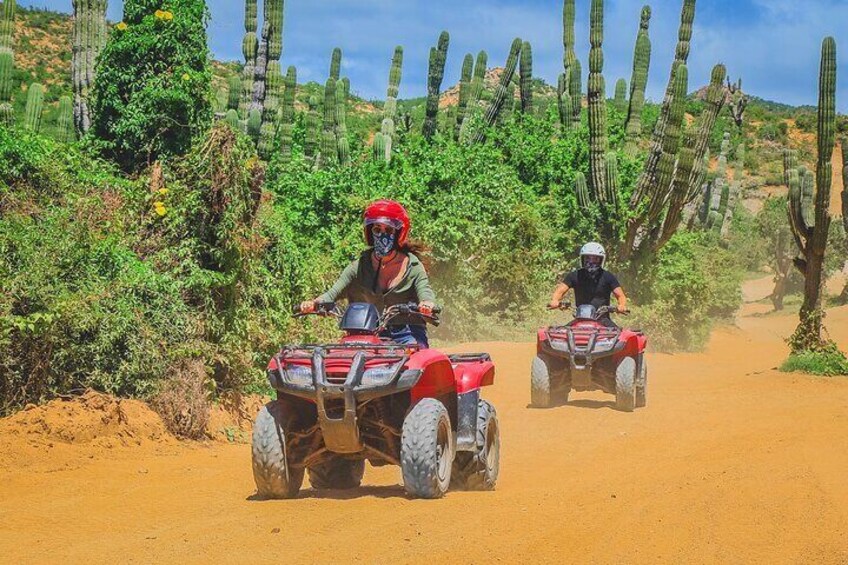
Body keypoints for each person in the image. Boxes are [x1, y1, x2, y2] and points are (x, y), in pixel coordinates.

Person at [300, 200, 437, 347]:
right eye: (377, 230)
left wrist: (426, 304)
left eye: (389, 230)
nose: (382, 235)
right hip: (370, 333)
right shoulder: (359, 267)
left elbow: (425, 291)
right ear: (370, 232)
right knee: (344, 359)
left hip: (408, 333)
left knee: (415, 360)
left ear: (399, 233)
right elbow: (333, 293)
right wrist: (314, 304)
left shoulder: (413, 266)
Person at [548, 242, 628, 327]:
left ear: (601, 260)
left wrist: (621, 305)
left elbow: (620, 296)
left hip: (602, 320)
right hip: (580, 318)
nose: (591, 261)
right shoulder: (574, 275)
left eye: (595, 259)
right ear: (582, 259)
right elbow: (560, 291)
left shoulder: (608, 276)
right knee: (560, 335)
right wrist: (555, 301)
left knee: (619, 338)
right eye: (588, 258)